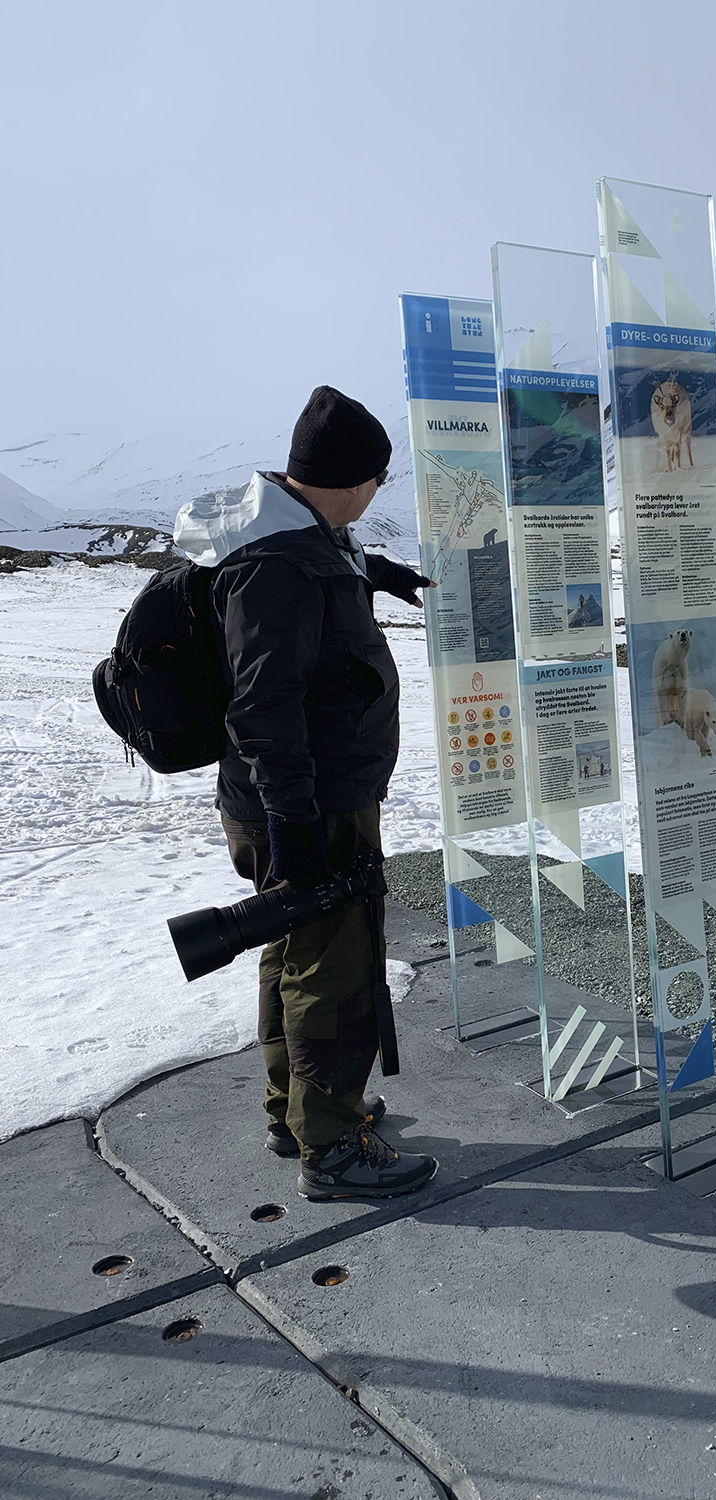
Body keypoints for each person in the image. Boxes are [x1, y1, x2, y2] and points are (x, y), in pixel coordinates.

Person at [173, 386, 438, 1200]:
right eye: (378, 480)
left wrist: (376, 574)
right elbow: (263, 704)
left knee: (294, 950)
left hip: (295, 795)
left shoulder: (291, 536)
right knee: (335, 969)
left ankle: (296, 1112)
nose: (376, 494)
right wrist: (293, 820)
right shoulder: (279, 564)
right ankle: (333, 1146)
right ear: (354, 481)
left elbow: (311, 599)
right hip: (307, 801)